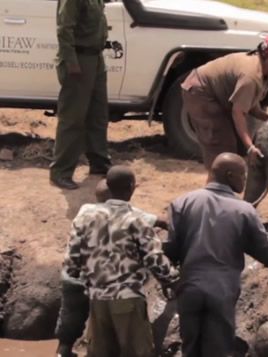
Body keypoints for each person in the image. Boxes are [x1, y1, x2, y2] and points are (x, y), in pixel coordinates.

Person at [165, 153, 268, 357]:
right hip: (221, 290)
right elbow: (261, 245)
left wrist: (171, 279)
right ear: (229, 175)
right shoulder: (244, 210)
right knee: (218, 348)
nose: (245, 180)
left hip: (189, 288)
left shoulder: (182, 202)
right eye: (243, 175)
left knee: (190, 347)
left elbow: (171, 247)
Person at [62, 167, 179, 357]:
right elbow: (154, 259)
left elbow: (72, 261)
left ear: (107, 186)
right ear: (131, 187)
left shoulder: (84, 217)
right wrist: (172, 280)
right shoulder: (136, 220)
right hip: (128, 299)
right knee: (136, 352)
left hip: (97, 300)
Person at [181, 34, 268, 169]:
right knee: (222, 147)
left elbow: (252, 107)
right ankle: (217, 183)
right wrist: (250, 147)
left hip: (214, 92)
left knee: (234, 142)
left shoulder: (265, 72)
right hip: (200, 92)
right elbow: (238, 112)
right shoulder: (251, 76)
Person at [50, 0, 112, 190]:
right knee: (73, 117)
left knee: (98, 114)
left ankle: (99, 163)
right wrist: (71, 62)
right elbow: (64, 29)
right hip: (79, 58)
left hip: (95, 57)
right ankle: (60, 171)